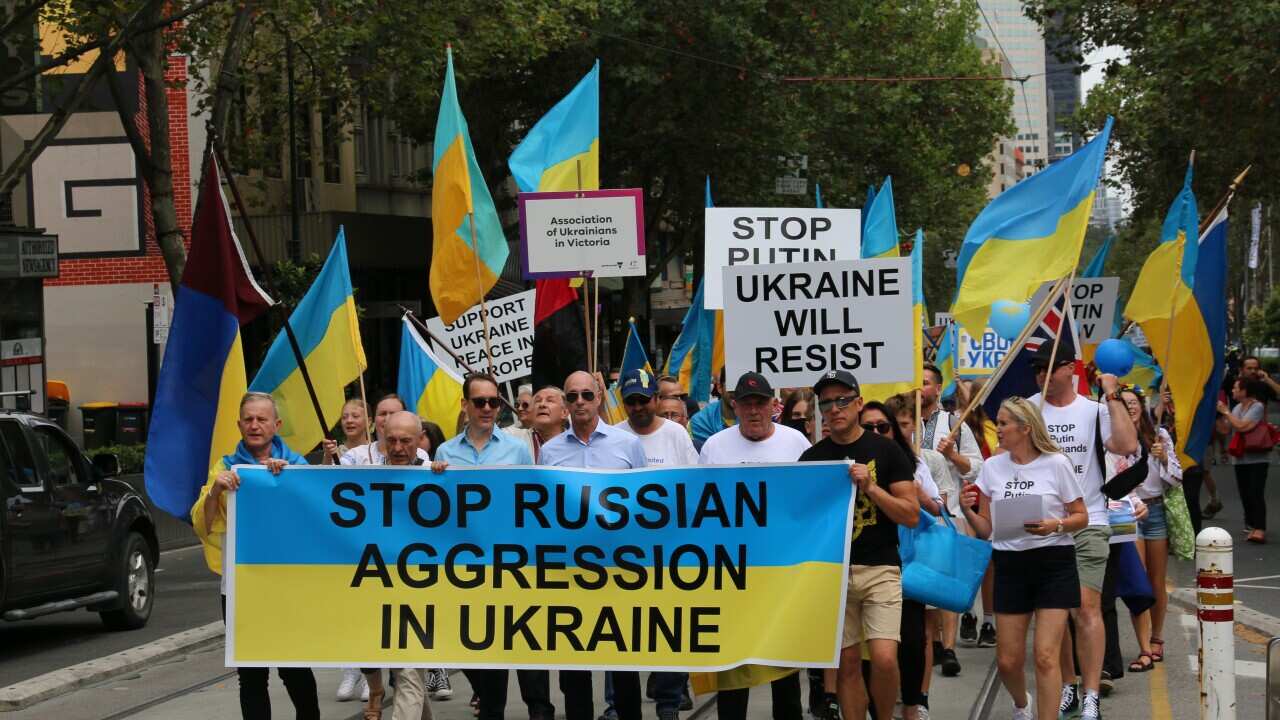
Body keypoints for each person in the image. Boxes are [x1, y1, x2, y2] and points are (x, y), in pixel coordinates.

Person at [797, 371, 918, 720]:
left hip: (880, 567)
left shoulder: (886, 450)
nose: (834, 409)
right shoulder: (812, 457)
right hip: (833, 572)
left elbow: (910, 515)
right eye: (826, 403)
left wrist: (872, 488)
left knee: (883, 657)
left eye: (842, 400)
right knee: (846, 663)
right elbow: (800, 517)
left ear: (858, 403)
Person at [191, 392, 319, 720]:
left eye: (262, 419)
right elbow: (202, 524)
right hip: (240, 587)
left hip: (286, 586)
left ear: (276, 425)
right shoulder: (224, 467)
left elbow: (315, 515)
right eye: (248, 419)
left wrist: (288, 479)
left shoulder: (297, 464)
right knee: (250, 674)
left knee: (294, 668)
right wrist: (216, 490)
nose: (254, 425)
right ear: (239, 425)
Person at [1028, 341, 1138, 720]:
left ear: (1069, 369)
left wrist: (1112, 394)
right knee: (1055, 612)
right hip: (1043, 527)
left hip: (1089, 520)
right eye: (1037, 369)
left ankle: (1091, 694)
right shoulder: (1029, 409)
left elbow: (1126, 444)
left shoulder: (1093, 411)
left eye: (1048, 368)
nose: (1041, 375)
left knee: (1086, 609)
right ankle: (1068, 686)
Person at [430, 373, 550, 720]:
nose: (487, 408)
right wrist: (434, 477)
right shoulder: (445, 452)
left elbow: (532, 503)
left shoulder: (517, 448)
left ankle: (539, 711)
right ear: (464, 405)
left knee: (527, 653)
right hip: (469, 570)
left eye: (493, 402)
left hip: (513, 565)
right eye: (479, 402)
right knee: (487, 659)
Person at [960, 397, 1089, 720]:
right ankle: (1021, 704)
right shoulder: (992, 467)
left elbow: (1080, 516)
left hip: (1053, 561)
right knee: (1007, 661)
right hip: (1010, 565)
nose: (998, 429)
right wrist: (966, 510)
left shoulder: (1056, 463)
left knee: (1045, 656)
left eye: (1003, 424)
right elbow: (986, 527)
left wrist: (1055, 525)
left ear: (1025, 428)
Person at [701, 372, 812, 720]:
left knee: (785, 674)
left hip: (783, 575)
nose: (753, 410)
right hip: (732, 575)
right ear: (733, 405)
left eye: (760, 403)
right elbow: (701, 507)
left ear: (773, 405)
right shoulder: (715, 446)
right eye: (746, 403)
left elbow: (812, 503)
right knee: (733, 673)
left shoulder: (797, 444)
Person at [539, 371, 649, 720]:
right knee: (574, 670)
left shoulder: (627, 444)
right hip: (571, 571)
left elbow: (646, 503)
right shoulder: (550, 451)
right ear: (565, 404)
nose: (581, 402)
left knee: (623, 665)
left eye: (587, 394)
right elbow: (545, 509)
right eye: (572, 397)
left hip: (619, 570)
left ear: (600, 396)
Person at [612, 368, 697, 718]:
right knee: (621, 633)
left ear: (657, 400)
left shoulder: (676, 434)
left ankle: (668, 704)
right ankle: (623, 706)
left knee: (668, 628)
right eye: (630, 401)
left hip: (669, 550)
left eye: (643, 400)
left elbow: (694, 486)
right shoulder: (613, 436)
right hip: (622, 555)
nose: (637, 407)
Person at [862, 399, 940, 720]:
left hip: (909, 564)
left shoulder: (915, 464)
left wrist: (918, 494)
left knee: (911, 640)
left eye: (883, 427)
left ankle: (912, 702)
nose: (877, 433)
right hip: (868, 564)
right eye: (869, 428)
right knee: (873, 649)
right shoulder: (850, 463)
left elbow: (937, 511)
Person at [365, 410, 440, 719]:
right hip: (381, 589)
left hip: (423, 592)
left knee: (408, 670)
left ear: (420, 440)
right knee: (406, 671)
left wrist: (448, 481)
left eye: (405, 441)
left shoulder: (437, 475)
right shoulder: (365, 477)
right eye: (390, 440)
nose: (397, 448)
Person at [919, 364, 985, 661]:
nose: (919, 388)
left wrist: (953, 455)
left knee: (946, 580)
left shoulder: (954, 423)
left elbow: (978, 467)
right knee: (921, 582)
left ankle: (948, 647)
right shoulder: (902, 421)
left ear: (937, 388)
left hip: (950, 512)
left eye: (925, 382)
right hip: (916, 513)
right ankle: (929, 643)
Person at [1116, 387, 1180, 668]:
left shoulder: (1159, 435)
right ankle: (1143, 646)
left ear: (1141, 406)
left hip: (1155, 511)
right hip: (1128, 513)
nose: (1129, 407)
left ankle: (1157, 637)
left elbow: (1177, 478)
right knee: (1137, 582)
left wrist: (1164, 457)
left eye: (1133, 403)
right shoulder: (1112, 439)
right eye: (1123, 404)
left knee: (1157, 581)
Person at [1221, 377, 1271, 544]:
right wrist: (1219, 416)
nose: (1233, 391)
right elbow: (1227, 429)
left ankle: (1260, 528)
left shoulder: (1257, 406)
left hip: (1258, 458)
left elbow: (1243, 426)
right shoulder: (1237, 407)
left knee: (1256, 492)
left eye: (1236, 388)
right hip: (1241, 457)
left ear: (1245, 390)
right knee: (1245, 493)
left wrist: (1226, 412)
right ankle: (1251, 524)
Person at [326, 394, 431, 466]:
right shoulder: (356, 455)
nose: (387, 418)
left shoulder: (420, 454)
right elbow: (330, 479)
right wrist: (327, 456)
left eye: (393, 414)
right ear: (374, 420)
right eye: (383, 414)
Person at [689, 369, 735, 451]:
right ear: (719, 387)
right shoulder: (701, 421)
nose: (736, 391)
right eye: (731, 385)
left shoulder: (759, 417)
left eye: (741, 387)